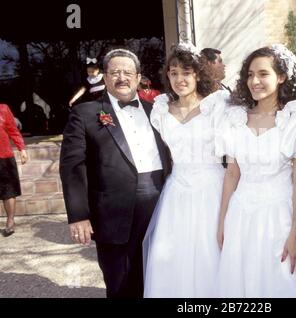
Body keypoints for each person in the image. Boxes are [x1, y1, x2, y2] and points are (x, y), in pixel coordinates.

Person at [60, 49, 172, 298]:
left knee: (160, 279)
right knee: (121, 283)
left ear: (139, 77)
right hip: (113, 214)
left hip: (162, 206)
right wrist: (78, 215)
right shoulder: (85, 113)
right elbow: (72, 167)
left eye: (127, 72)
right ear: (105, 78)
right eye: (114, 72)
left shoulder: (157, 110)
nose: (122, 77)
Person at [215, 44, 296, 297]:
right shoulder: (233, 118)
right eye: (250, 74)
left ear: (281, 77)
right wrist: (222, 222)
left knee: (281, 281)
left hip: (280, 217)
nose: (254, 81)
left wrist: (295, 233)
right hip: (241, 215)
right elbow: (231, 175)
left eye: (263, 74)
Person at [142, 42, 226, 298]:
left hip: (213, 189)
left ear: (198, 74)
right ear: (167, 75)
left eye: (186, 72)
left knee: (210, 252)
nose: (180, 78)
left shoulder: (218, 105)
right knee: (172, 257)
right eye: (174, 72)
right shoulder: (160, 109)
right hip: (177, 192)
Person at [0, 103, 28, 237]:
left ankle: (10, 221)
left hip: (4, 157)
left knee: (9, 191)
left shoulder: (3, 109)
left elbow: (12, 130)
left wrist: (22, 148)